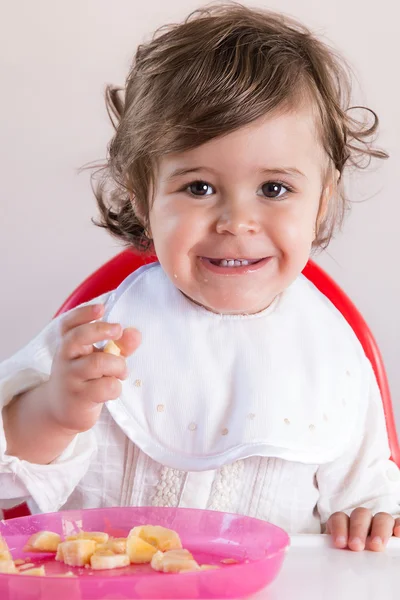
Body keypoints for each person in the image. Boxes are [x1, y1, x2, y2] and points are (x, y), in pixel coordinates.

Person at [1, 3, 399, 552]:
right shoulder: (97, 335)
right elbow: (7, 483)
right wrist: (52, 411)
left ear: (322, 199)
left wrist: (370, 517)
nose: (236, 222)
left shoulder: (331, 351)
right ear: (143, 199)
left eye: (275, 189)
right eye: (199, 188)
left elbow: (368, 495)